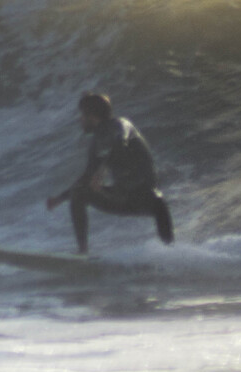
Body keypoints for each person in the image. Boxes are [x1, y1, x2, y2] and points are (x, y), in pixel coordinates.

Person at [46, 92, 174, 254]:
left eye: (82, 116)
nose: (80, 120)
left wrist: (104, 168)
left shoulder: (121, 125)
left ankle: (173, 255)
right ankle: (82, 253)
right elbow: (86, 177)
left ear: (91, 116)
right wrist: (60, 199)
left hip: (146, 199)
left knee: (160, 209)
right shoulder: (97, 141)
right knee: (79, 192)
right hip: (121, 197)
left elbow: (121, 143)